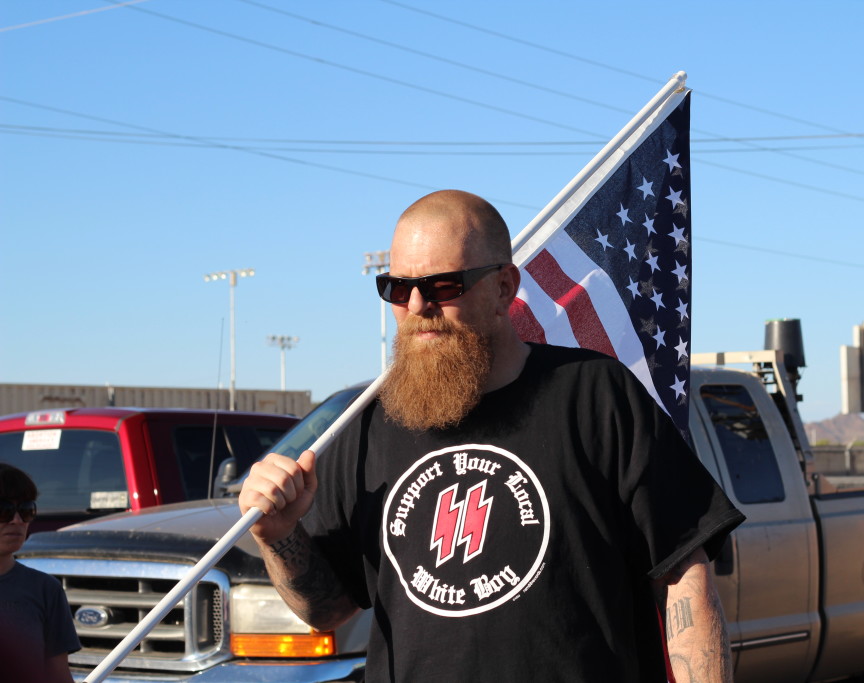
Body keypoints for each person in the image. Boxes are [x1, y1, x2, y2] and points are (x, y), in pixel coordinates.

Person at [240, 190, 745, 682]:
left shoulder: (597, 393)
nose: (417, 306)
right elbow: (328, 609)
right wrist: (279, 535)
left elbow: (684, 580)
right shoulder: (368, 424)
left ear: (505, 287)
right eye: (398, 288)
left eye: (443, 286)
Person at [0, 463, 81, 683]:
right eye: (3, 510)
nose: (16, 520)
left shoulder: (45, 589)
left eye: (26, 509)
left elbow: (59, 676)